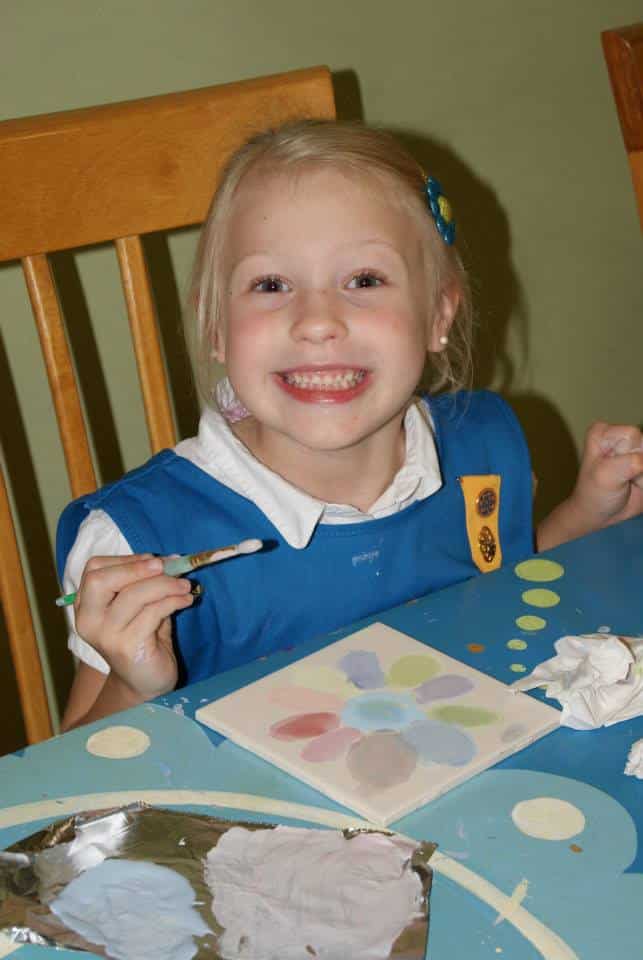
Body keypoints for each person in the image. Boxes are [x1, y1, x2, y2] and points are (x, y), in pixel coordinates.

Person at [56, 120, 643, 731]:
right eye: (271, 284)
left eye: (364, 280)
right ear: (216, 329)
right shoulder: (140, 540)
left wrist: (585, 519)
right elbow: (68, 768)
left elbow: (499, 587)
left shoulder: (480, 451)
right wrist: (131, 687)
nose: (317, 321)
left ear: (438, 314)